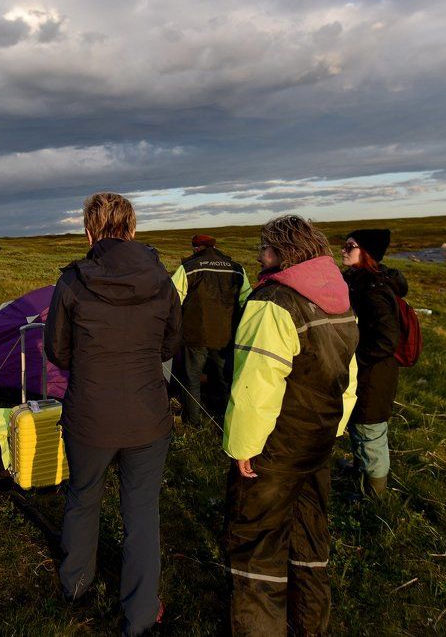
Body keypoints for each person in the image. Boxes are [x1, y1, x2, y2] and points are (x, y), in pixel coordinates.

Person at [46, 192, 181, 637]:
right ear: (133, 229)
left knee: (83, 497)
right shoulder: (162, 280)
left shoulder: (72, 281)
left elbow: (57, 350)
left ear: (89, 232)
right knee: (141, 511)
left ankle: (75, 583)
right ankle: (140, 613)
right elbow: (170, 344)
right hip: (147, 415)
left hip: (90, 415)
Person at [222, 215, 358, 635]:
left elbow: (257, 383)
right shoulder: (338, 296)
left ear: (282, 251)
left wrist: (243, 446)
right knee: (309, 535)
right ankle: (310, 623)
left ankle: (262, 628)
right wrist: (336, 427)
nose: (259, 256)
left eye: (264, 248)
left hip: (276, 448)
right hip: (319, 441)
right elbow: (348, 374)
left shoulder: (274, 301)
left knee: (257, 544)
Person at [341, 229, 408, 497]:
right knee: (359, 424)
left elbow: (387, 340)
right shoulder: (360, 281)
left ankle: (375, 495)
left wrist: (355, 360)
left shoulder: (374, 290)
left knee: (370, 430)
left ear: (366, 252)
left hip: (374, 374)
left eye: (350, 246)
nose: (343, 250)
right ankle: (361, 469)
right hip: (367, 370)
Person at [171, 234, 251, 426]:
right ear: (214, 247)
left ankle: (192, 422)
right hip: (226, 337)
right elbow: (247, 302)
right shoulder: (237, 269)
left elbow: (172, 299)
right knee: (224, 379)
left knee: (191, 378)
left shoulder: (188, 268)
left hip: (194, 335)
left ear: (196, 248)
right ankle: (225, 419)